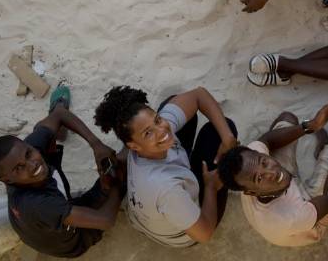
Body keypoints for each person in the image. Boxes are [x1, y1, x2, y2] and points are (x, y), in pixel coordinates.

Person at [0, 85, 124, 258]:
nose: (31, 164)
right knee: (120, 167)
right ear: (6, 180)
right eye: (18, 168)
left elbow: (60, 114)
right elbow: (106, 220)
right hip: (72, 242)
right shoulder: (39, 204)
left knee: (54, 117)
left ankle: (57, 132)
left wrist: (96, 144)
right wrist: (116, 183)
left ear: (28, 145)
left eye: (29, 153)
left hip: (50, 218)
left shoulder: (25, 155)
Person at [93, 86, 238, 247]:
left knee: (175, 102)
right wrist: (211, 187)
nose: (162, 131)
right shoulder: (166, 189)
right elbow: (204, 234)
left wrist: (228, 138)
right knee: (221, 133)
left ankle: (157, 129)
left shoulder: (145, 143)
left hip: (158, 202)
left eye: (157, 120)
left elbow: (199, 95)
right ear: (133, 146)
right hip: (181, 233)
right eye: (148, 133)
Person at [217, 102, 328, 246]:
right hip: (308, 214)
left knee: (287, 118)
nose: (271, 172)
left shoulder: (249, 163)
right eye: (259, 178)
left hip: (287, 191)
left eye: (264, 162)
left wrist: (312, 125)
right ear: (250, 192)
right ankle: (326, 152)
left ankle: (326, 154)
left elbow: (268, 140)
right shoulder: (288, 217)